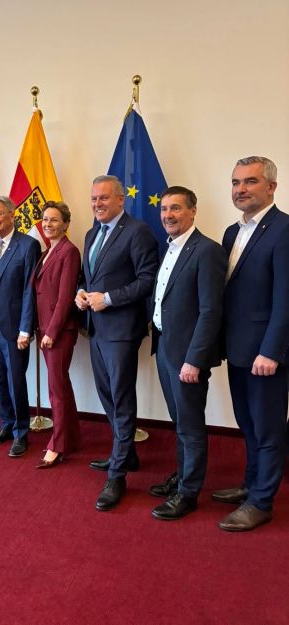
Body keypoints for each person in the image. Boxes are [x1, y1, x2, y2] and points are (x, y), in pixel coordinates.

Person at [213, 156, 289, 532]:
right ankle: (251, 484)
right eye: (235, 182)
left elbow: (286, 298)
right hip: (238, 347)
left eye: (250, 182)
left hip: (265, 353)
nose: (240, 189)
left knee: (268, 428)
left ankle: (261, 503)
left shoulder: (284, 230)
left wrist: (271, 351)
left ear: (271, 187)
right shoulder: (232, 232)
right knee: (247, 422)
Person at [75, 175, 158, 511]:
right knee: (107, 394)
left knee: (121, 398)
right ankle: (127, 454)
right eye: (94, 198)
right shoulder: (91, 233)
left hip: (122, 330)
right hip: (96, 329)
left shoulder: (138, 232)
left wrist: (108, 298)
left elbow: (147, 280)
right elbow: (89, 277)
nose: (97, 204)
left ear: (121, 199)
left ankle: (118, 474)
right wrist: (81, 293)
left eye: (104, 198)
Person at [149, 186, 227, 520]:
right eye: (164, 209)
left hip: (187, 356)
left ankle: (189, 492)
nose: (168, 215)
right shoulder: (169, 248)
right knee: (179, 420)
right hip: (165, 346)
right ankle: (182, 476)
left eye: (176, 208)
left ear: (193, 211)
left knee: (191, 425)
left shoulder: (207, 251)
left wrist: (194, 359)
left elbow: (211, 311)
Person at [0, 195, 41, 457]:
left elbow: (30, 290)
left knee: (16, 380)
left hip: (15, 328)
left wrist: (26, 329)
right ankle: (6, 423)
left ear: (12, 215)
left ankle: (20, 432)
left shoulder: (28, 245)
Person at [31, 201, 81, 468]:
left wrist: (51, 332)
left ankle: (58, 445)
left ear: (66, 224)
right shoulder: (46, 252)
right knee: (61, 385)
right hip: (45, 328)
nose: (48, 224)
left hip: (58, 331)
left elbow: (65, 298)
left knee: (56, 390)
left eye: (54, 220)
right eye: (45, 219)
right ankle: (72, 438)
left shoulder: (69, 251)